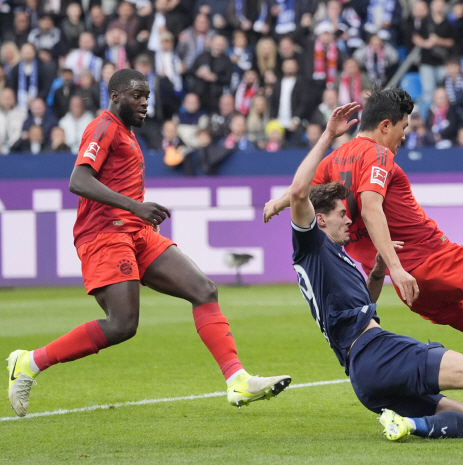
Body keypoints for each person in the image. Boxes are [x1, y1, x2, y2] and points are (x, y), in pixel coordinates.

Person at [265, 87, 463, 426]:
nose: (404, 137)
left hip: (415, 292)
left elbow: (302, 190)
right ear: (385, 125)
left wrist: (278, 203)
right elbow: (372, 207)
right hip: (435, 262)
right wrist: (398, 268)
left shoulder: (334, 161)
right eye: (404, 128)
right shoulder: (377, 154)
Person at [6, 69, 290, 418]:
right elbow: (78, 180)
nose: (144, 103)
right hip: (105, 235)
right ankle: (29, 362)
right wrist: (135, 206)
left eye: (147, 96)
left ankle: (237, 379)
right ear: (114, 96)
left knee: (203, 289)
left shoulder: (126, 133)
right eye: (136, 95)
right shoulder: (103, 126)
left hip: (136, 233)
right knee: (122, 325)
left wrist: (135, 213)